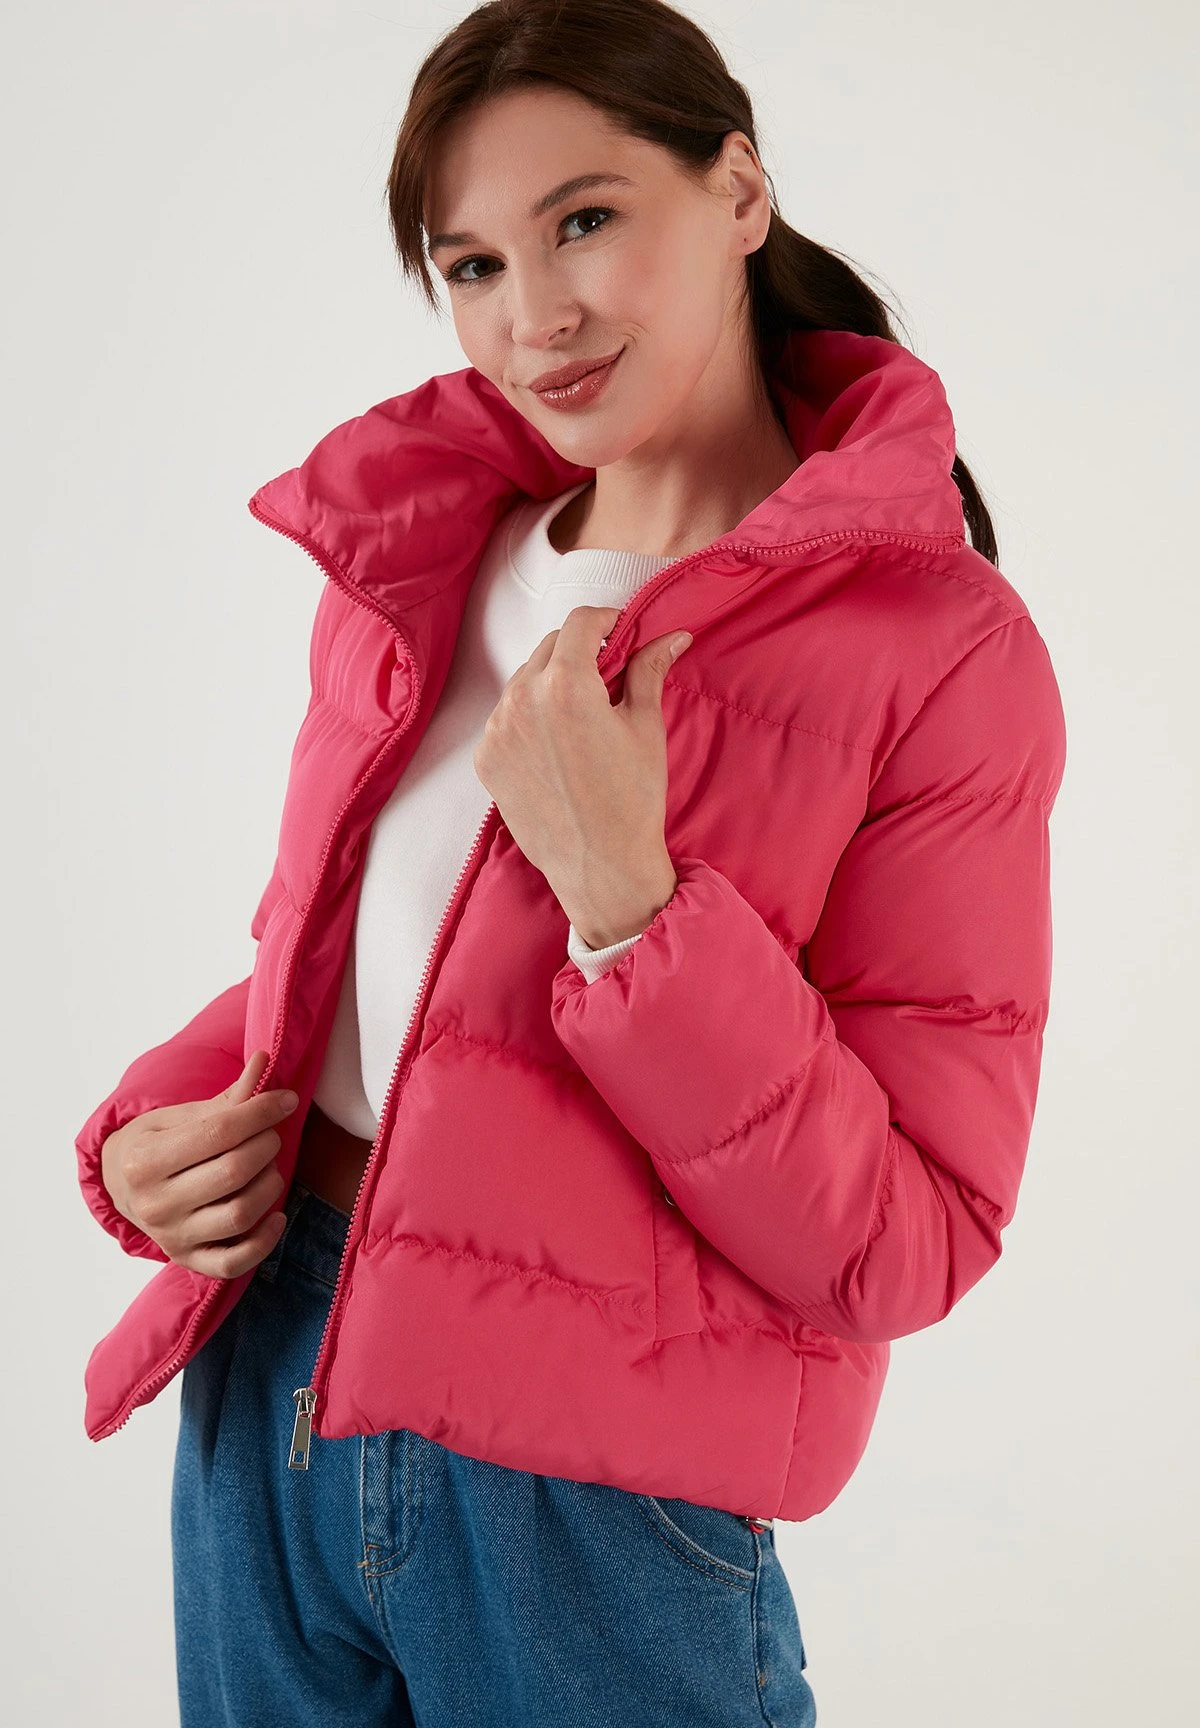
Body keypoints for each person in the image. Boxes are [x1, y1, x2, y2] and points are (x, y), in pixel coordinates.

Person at [74, 1, 1067, 1722]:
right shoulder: (424, 555)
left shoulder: (939, 648)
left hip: (594, 1494)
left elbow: (911, 1240)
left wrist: (637, 912)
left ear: (739, 189)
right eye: (471, 265)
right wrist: (159, 1136)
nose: (532, 316)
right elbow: (390, 968)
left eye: (585, 220)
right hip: (273, 1385)